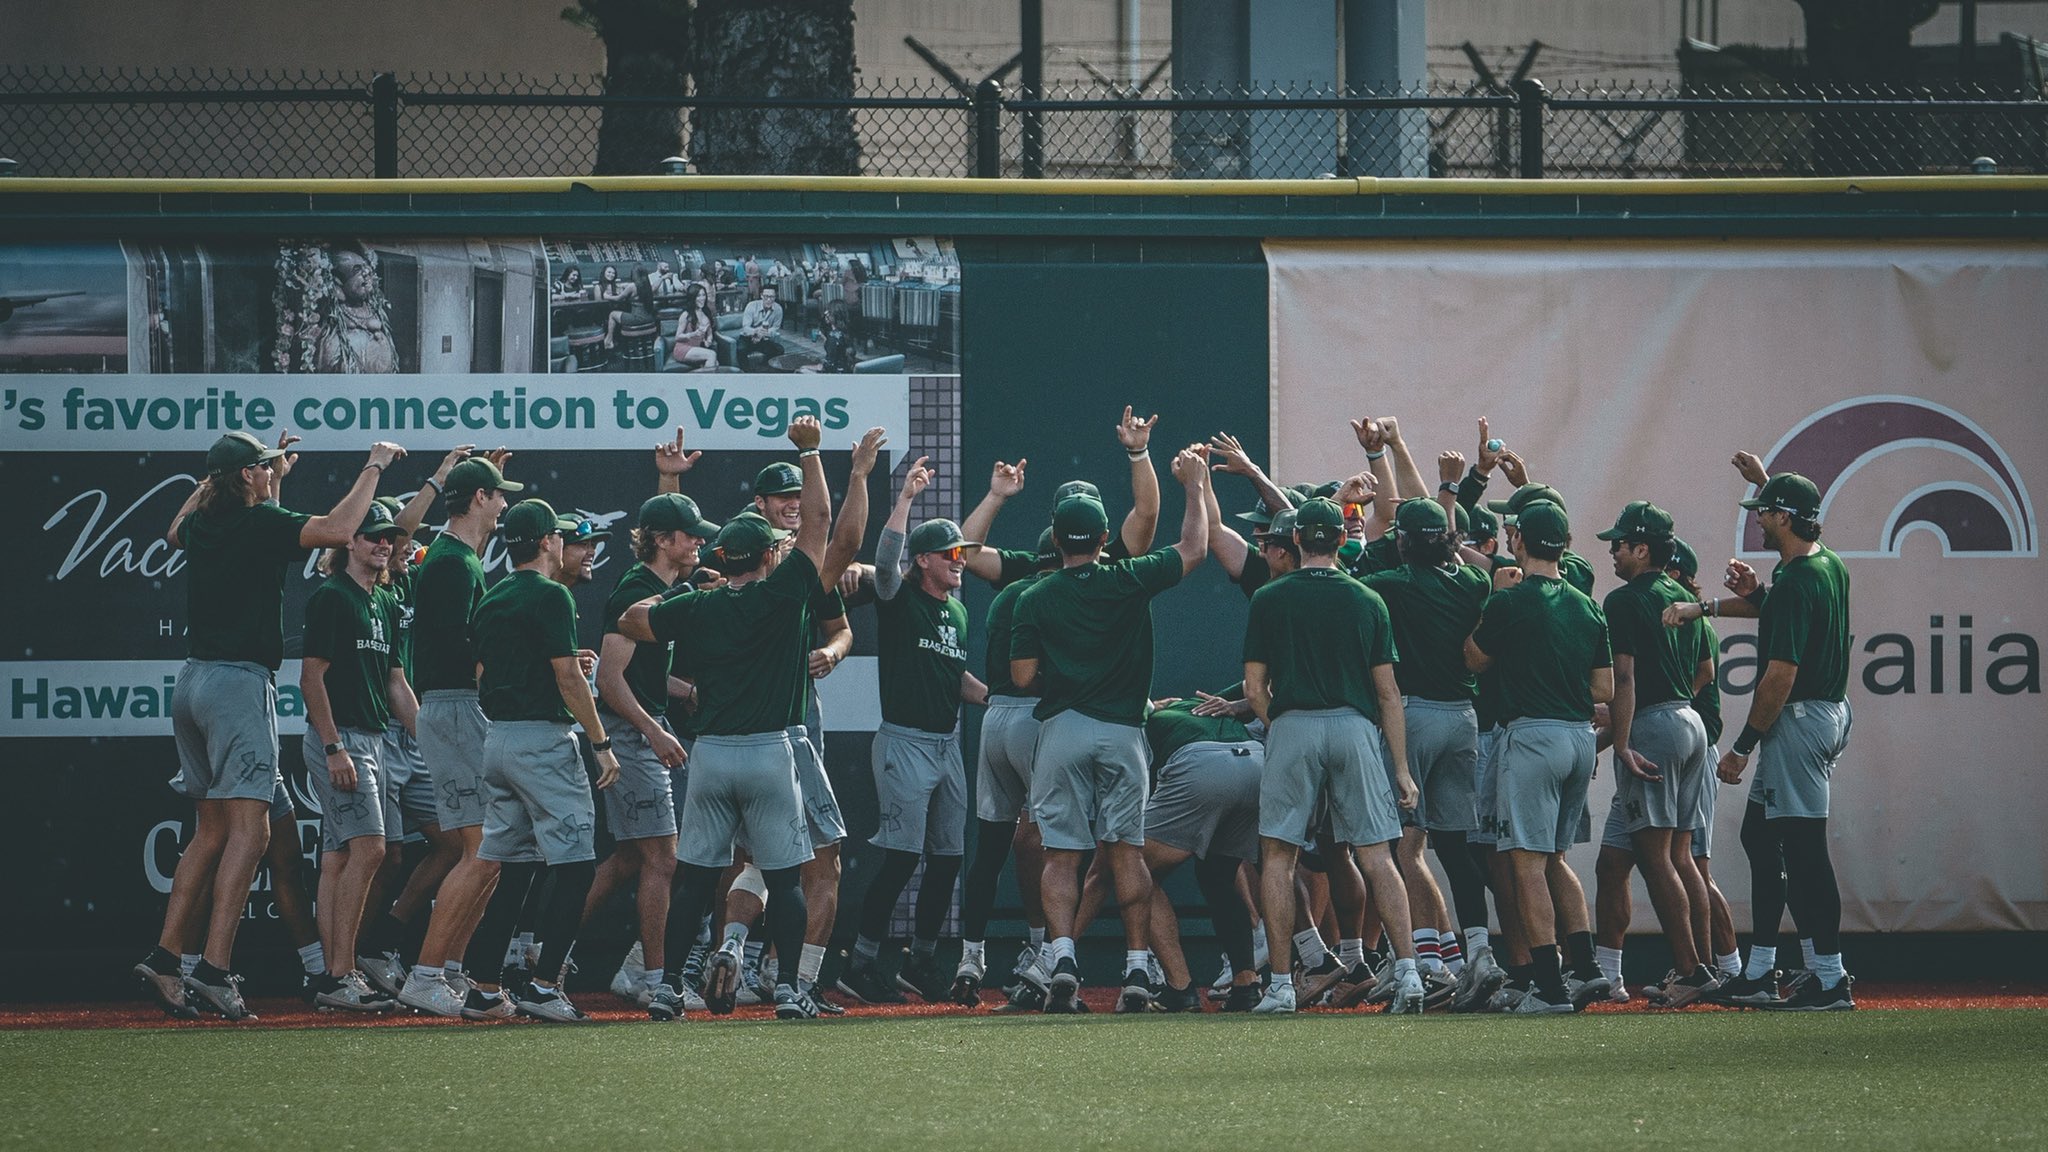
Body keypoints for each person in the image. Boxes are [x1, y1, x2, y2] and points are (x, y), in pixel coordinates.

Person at [133, 431, 402, 1021]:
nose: (269, 472)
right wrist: (375, 467)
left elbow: (172, 531)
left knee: (210, 832)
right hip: (235, 687)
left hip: (192, 684)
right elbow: (336, 530)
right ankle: (213, 970)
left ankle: (164, 955)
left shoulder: (208, 524)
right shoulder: (261, 524)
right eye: (260, 468)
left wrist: (250, 474)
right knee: (249, 835)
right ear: (247, 478)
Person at [626, 418, 883, 1021]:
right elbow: (826, 530)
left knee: (693, 880)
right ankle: (791, 990)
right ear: (770, 552)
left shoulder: (700, 604)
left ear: (721, 555)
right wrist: (817, 454)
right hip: (772, 750)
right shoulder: (785, 592)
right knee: (788, 880)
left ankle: (667, 988)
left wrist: (680, 599)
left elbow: (634, 619)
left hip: (711, 753)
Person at [1009, 445, 1210, 1014]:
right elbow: (1194, 548)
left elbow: (1023, 676)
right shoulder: (1129, 578)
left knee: (1061, 856)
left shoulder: (1035, 595)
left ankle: (1065, 955)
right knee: (1126, 852)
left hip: (1064, 729)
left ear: (1054, 537)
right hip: (1123, 731)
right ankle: (1138, 967)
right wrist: (1195, 487)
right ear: (1104, 538)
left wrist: (1064, 666)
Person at [1671, 459, 1855, 1011]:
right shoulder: (1824, 564)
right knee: (1759, 836)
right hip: (1823, 713)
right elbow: (1770, 604)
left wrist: (1742, 747)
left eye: (1765, 512)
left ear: (1784, 517)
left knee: (1804, 851)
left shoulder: (1800, 578)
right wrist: (1702, 606)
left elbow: (1780, 675)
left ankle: (1828, 976)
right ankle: (1762, 970)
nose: (1758, 521)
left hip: (1799, 720)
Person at [1242, 497, 1424, 1015]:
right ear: (1341, 541)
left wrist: (1286, 727)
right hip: (1354, 726)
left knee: (1278, 857)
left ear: (1297, 540)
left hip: (1294, 723)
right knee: (1377, 855)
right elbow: (1387, 693)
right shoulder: (1369, 599)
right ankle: (1408, 974)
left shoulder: (1269, 598)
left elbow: (1255, 689)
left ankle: (1280, 985)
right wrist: (1403, 768)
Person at [461, 499, 620, 1022]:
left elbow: (484, 673)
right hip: (543, 741)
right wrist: (599, 742)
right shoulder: (552, 596)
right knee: (575, 869)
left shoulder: (493, 595)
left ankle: (484, 988)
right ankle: (544, 985)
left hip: (499, 740)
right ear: (549, 541)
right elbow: (568, 679)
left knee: (514, 870)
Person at [839, 460, 990, 1004]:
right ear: (924, 560)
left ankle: (922, 960)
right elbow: (883, 564)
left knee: (948, 858)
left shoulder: (958, 612)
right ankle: (858, 962)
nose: (960, 563)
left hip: (946, 743)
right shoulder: (900, 598)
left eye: (964, 555)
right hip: (903, 742)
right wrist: (904, 497)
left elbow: (956, 678)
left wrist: (995, 698)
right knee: (901, 858)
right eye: (951, 555)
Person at [1464, 500, 1613, 1014]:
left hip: (1532, 736)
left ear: (1520, 542)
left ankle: (1550, 988)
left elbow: (1474, 658)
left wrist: (1493, 601)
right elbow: (1605, 687)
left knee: (1526, 864)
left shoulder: (1510, 601)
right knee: (1554, 859)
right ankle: (1589, 970)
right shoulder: (1588, 604)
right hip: (1578, 735)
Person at [397, 454, 526, 1017]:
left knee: (488, 850)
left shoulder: (457, 559)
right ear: (478, 499)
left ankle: (447, 970)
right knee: (482, 849)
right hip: (455, 709)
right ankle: (426, 974)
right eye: (498, 495)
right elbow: (461, 654)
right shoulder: (453, 563)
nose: (504, 505)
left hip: (456, 709)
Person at [1359, 497, 1497, 1008]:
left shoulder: (1390, 584)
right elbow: (1477, 569)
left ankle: (1427, 959)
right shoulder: (1475, 583)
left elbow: (1343, 580)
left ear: (1402, 542)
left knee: (1405, 844)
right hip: (1463, 716)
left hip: (1413, 715)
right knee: (1456, 845)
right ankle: (1478, 952)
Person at [587, 493, 719, 1017]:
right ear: (662, 541)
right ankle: (653, 978)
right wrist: (654, 732)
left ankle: (540, 953)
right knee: (663, 861)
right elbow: (609, 679)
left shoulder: (665, 589)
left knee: (626, 862)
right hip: (630, 735)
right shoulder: (637, 590)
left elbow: (639, 674)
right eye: (690, 535)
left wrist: (682, 695)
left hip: (642, 729)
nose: (699, 542)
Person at [1590, 501, 1716, 1007]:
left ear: (1642, 549)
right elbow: (1705, 670)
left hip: (1654, 725)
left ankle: (1692, 970)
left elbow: (1624, 677)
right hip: (1689, 720)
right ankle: (1612, 974)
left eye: (1619, 544)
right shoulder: (1683, 597)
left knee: (1659, 859)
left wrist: (1619, 742)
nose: (1613, 552)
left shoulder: (1623, 600)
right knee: (1622, 861)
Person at [299, 500, 415, 1012]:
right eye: (372, 535)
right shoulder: (332, 597)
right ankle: (341, 976)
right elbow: (311, 678)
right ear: (348, 541)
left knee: (337, 858)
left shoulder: (384, 600)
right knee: (369, 851)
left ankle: (332, 978)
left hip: (375, 740)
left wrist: (427, 741)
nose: (383, 543)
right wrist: (333, 748)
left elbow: (396, 683)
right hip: (342, 739)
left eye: (388, 535)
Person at [316, 244, 400, 374]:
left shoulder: (374, 309)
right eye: (356, 270)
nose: (366, 273)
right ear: (338, 284)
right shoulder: (334, 316)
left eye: (365, 267)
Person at [668, 284, 720, 371]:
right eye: (698, 296)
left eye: (704, 295)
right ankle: (708, 384)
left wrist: (708, 341)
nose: (702, 298)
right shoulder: (686, 315)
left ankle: (699, 381)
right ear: (693, 298)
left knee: (716, 363)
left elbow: (710, 334)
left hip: (697, 348)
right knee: (711, 355)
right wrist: (693, 334)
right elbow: (677, 337)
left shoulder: (706, 313)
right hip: (683, 349)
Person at [737, 286, 785, 367]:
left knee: (779, 349)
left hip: (764, 338)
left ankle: (765, 369)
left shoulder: (778, 309)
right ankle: (746, 373)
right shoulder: (751, 306)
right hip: (748, 337)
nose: (769, 300)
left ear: (775, 297)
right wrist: (756, 332)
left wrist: (763, 334)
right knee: (741, 350)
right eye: (766, 296)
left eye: (772, 297)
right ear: (761, 296)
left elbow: (775, 328)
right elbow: (746, 327)